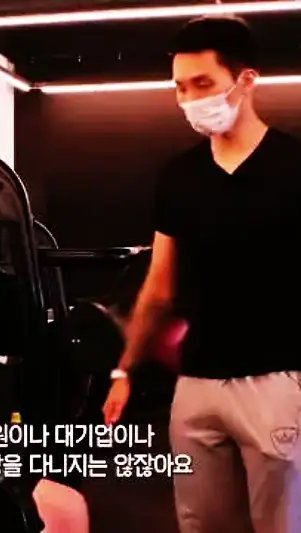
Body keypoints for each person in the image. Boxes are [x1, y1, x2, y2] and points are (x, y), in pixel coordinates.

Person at [103, 15, 301, 533]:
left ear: (246, 79)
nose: (189, 98)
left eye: (203, 84)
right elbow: (159, 286)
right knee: (202, 524)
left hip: (278, 380)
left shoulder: (293, 165)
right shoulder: (179, 176)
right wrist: (125, 370)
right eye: (180, 87)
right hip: (196, 385)